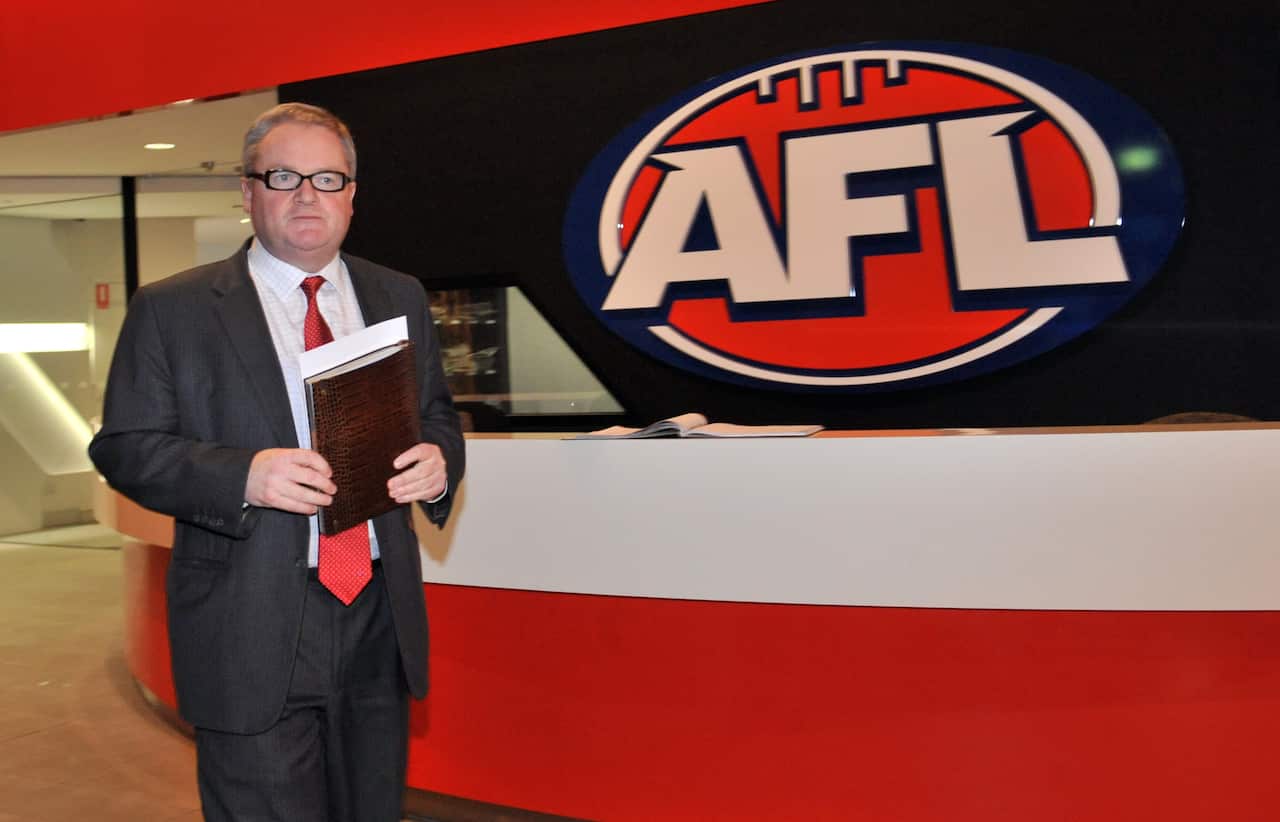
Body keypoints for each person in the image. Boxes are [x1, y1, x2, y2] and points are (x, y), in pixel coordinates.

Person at [89, 102, 465, 822]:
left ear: (352, 194)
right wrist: (243, 476)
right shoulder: (175, 308)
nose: (306, 196)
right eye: (284, 175)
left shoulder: (399, 295)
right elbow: (125, 448)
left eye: (328, 178)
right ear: (247, 190)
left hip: (376, 615)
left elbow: (438, 416)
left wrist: (439, 462)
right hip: (249, 620)